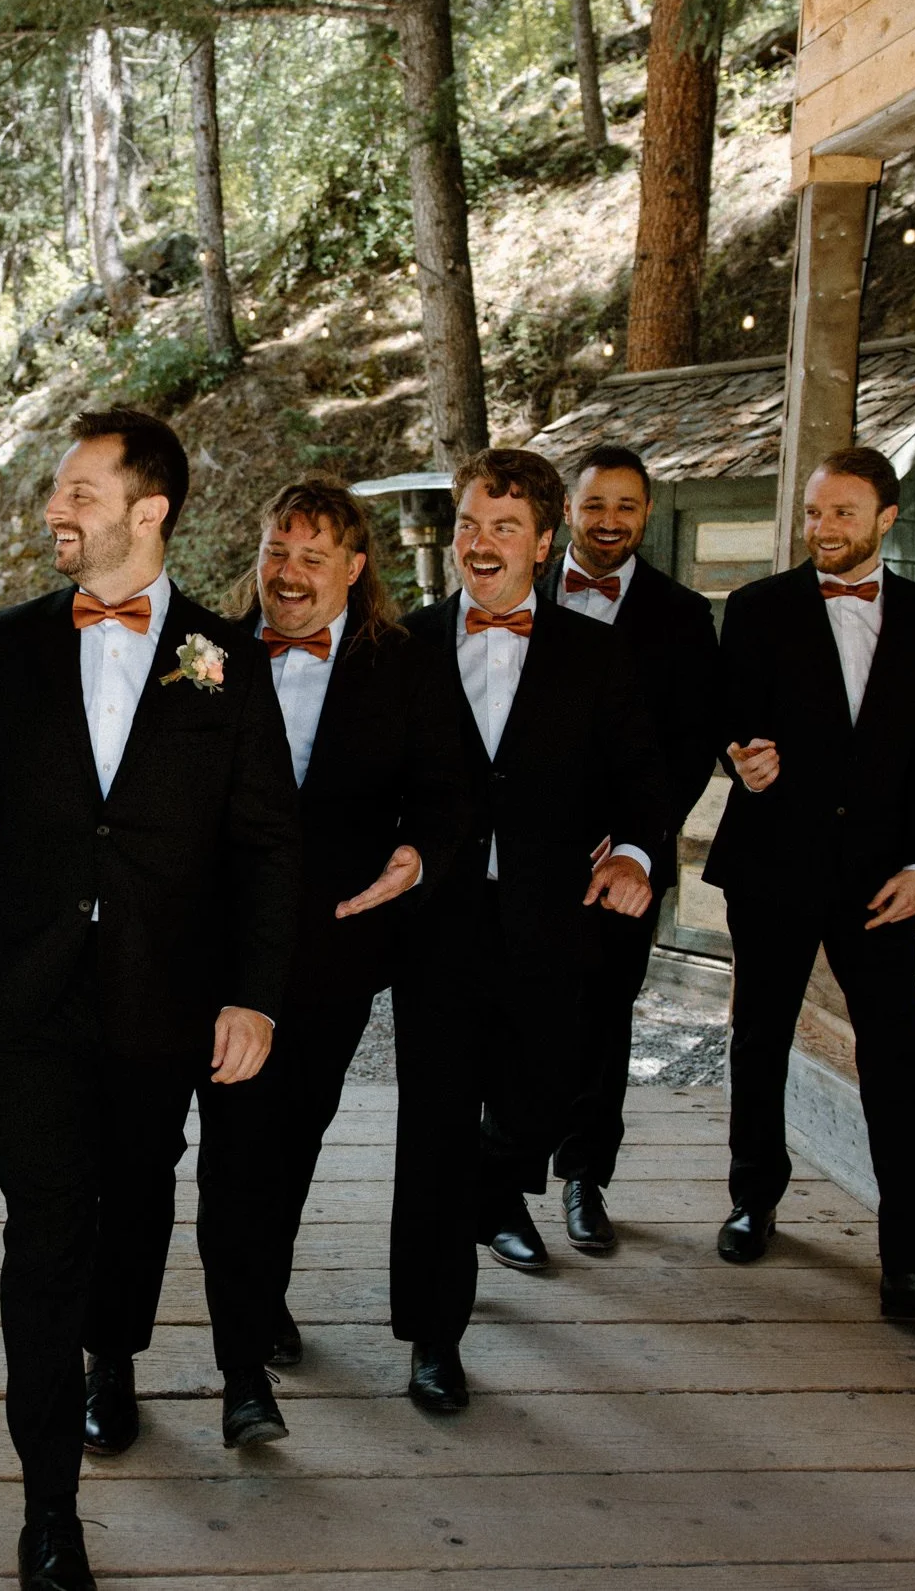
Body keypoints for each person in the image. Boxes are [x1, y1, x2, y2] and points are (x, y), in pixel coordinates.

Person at [0, 408, 300, 1591]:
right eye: (55, 491)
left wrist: (254, 994)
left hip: (163, 992)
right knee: (43, 1228)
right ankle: (48, 1513)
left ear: (149, 509)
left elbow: (266, 843)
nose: (53, 510)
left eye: (78, 491)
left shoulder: (224, 657)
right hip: (21, 985)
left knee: (136, 1196)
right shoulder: (11, 640)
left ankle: (115, 1348)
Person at [393, 448, 662, 1412]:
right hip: (438, 928)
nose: (481, 543)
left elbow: (641, 781)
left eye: (505, 528)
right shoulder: (409, 645)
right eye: (470, 524)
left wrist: (633, 850)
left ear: (544, 543)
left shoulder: (596, 654)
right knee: (429, 1127)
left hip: (554, 924)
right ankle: (433, 1335)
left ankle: (486, 1185)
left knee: (548, 1097)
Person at [706, 445, 915, 1323]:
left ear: (885, 520)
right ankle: (753, 1196)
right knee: (760, 1035)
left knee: (894, 1059)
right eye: (815, 512)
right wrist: (740, 756)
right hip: (774, 861)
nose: (823, 528)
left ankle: (913, 1265)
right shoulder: (756, 609)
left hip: (880, 878)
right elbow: (727, 715)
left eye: (842, 513)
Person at [201, 481, 469, 1386]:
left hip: (336, 941)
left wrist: (417, 854)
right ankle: (246, 1312)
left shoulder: (404, 662)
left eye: (313, 557)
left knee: (296, 1129)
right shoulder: (206, 651)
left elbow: (451, 785)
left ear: (355, 568)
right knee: (233, 1138)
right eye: (278, 549)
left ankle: (260, 1289)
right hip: (220, 941)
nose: (288, 572)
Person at [535, 445, 721, 1252]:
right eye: (595, 503)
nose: (610, 520)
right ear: (569, 509)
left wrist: (637, 838)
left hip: (624, 860)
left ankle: (585, 1177)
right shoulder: (516, 589)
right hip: (525, 847)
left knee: (605, 1015)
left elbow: (689, 742)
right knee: (514, 1013)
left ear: (646, 513)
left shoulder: (682, 615)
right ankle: (498, 1186)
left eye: (627, 506)